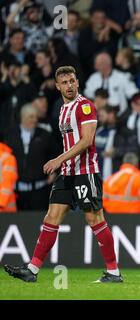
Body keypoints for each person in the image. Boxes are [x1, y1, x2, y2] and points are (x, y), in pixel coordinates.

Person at [4, 66, 123, 283]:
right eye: (64, 82)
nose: (69, 85)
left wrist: (59, 159)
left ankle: (113, 272)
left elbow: (87, 141)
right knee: (52, 217)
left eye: (72, 81)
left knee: (94, 218)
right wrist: (63, 164)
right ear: (57, 86)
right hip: (67, 173)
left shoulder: (85, 107)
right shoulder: (62, 109)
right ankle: (32, 269)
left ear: (77, 83)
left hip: (85, 172)